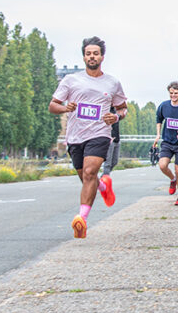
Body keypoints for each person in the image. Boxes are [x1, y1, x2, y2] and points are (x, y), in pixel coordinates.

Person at [49, 36, 128, 239]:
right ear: (84, 57)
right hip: (75, 137)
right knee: (86, 178)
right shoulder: (71, 80)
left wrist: (116, 116)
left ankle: (82, 220)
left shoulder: (112, 82)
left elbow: (122, 108)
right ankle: (104, 186)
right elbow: (53, 105)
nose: (92, 56)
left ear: (102, 56)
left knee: (90, 173)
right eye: (88, 53)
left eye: (95, 53)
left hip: (100, 134)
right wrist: (65, 107)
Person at [100, 105, 123, 198]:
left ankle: (101, 179)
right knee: (108, 163)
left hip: (117, 139)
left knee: (114, 162)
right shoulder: (105, 110)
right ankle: (105, 185)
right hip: (109, 139)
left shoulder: (116, 111)